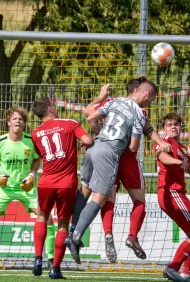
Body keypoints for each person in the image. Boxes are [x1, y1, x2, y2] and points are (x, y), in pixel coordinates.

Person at [66, 80, 158, 263]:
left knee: (86, 191)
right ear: (145, 94)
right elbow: (133, 147)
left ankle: (76, 229)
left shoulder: (115, 102)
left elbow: (89, 114)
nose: (150, 103)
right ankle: (75, 237)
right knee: (103, 199)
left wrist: (100, 132)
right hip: (113, 155)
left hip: (96, 147)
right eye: (152, 99)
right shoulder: (139, 113)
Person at [0, 107, 53, 271]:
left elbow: (37, 160)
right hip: (4, 188)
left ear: (24, 124)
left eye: (21, 119)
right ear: (8, 122)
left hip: (26, 188)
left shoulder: (30, 141)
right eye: (14, 118)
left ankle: (50, 258)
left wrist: (31, 174)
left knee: (47, 217)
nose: (17, 121)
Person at [31, 98, 93, 279]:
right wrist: (81, 143)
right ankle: (55, 269)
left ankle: (37, 259)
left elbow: (40, 155)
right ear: (50, 108)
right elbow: (88, 140)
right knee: (63, 224)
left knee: (42, 216)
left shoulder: (35, 133)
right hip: (66, 183)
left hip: (46, 182)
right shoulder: (69, 124)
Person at [155, 113, 190, 282]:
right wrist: (177, 162)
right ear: (164, 128)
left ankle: (187, 272)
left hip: (177, 192)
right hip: (170, 191)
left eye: (176, 124)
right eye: (169, 124)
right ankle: (174, 268)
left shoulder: (181, 147)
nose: (173, 127)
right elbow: (160, 155)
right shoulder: (164, 140)